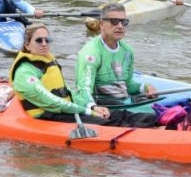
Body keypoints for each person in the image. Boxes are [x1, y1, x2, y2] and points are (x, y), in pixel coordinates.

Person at [11, 24, 157, 127]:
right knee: (110, 123)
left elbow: (67, 92)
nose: (44, 44)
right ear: (27, 45)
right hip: (48, 116)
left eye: (47, 40)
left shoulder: (48, 62)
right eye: (39, 40)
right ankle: (156, 135)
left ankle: (163, 120)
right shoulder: (24, 72)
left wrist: (92, 106)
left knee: (120, 114)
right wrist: (86, 111)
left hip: (65, 111)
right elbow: (51, 101)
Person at [73, 4, 158, 107]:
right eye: (114, 21)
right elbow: (84, 90)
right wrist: (93, 107)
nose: (120, 26)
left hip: (125, 103)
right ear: (101, 24)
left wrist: (146, 87)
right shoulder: (91, 53)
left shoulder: (127, 51)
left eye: (123, 22)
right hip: (106, 107)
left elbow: (128, 85)